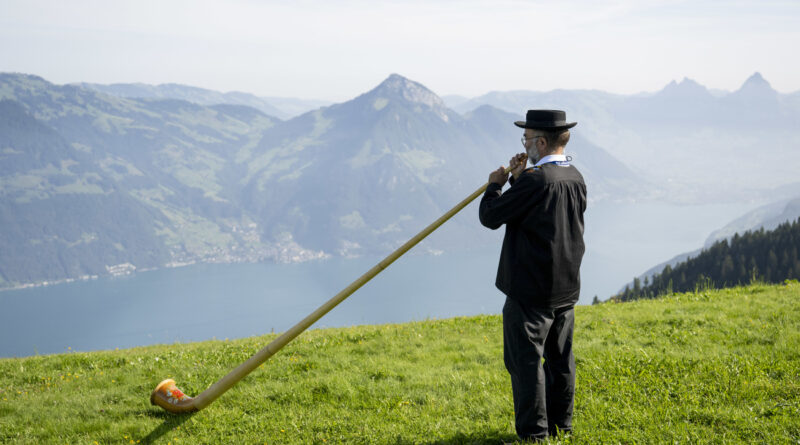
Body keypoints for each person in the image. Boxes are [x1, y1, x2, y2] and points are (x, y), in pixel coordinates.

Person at [478, 109, 586, 442]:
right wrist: (519, 178)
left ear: (540, 141)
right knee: (559, 363)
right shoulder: (574, 176)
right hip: (565, 289)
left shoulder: (537, 181)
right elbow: (540, 212)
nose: (524, 145)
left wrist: (495, 186)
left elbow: (491, 216)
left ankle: (534, 435)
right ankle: (561, 428)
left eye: (526, 139)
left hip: (530, 293)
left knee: (526, 366)